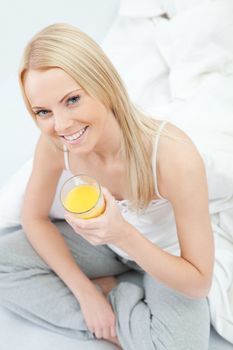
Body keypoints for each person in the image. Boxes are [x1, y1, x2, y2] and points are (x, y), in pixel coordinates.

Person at [0, 23, 214, 350]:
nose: (60, 125)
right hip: (103, 247)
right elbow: (34, 218)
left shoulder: (173, 157)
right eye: (43, 111)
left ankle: (117, 307)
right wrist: (86, 293)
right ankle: (114, 315)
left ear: (105, 86)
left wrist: (122, 233)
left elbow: (199, 282)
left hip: (167, 258)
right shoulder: (54, 144)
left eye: (72, 100)